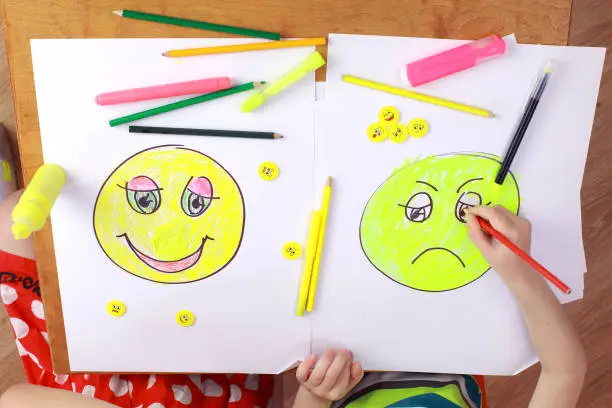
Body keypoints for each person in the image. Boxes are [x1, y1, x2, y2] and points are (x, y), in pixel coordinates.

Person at [0, 126, 586, 407]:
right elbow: (564, 372)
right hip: (429, 299)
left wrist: (315, 394)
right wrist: (519, 271)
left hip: (305, 318)